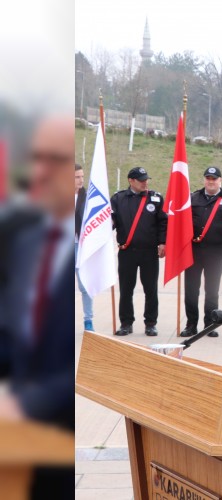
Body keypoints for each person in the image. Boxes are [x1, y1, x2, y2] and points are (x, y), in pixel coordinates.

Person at [0, 115, 76, 498]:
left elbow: (81, 364)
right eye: (36, 158)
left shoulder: (87, 254)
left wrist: (25, 405)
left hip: (60, 448)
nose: (40, 171)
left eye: (54, 159)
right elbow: (12, 335)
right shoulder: (28, 241)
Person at [180, 166, 222, 338]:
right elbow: (182, 223)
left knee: (212, 290)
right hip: (194, 251)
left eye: (214, 178)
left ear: (220, 180)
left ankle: (210, 324)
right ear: (204, 180)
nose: (211, 181)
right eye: (208, 178)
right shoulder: (192, 198)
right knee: (191, 289)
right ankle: (191, 324)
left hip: (216, 252)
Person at [110, 167, 167, 337]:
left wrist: (163, 242)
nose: (145, 182)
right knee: (126, 289)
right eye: (141, 180)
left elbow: (163, 222)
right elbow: (110, 221)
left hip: (149, 252)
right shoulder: (118, 199)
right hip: (127, 252)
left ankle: (151, 323)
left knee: (150, 289)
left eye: (146, 179)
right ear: (131, 181)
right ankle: (126, 323)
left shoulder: (155, 199)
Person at [75, 163, 93, 331]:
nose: (81, 180)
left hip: (80, 246)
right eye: (77, 177)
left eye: (82, 176)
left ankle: (88, 319)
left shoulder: (88, 196)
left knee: (85, 284)